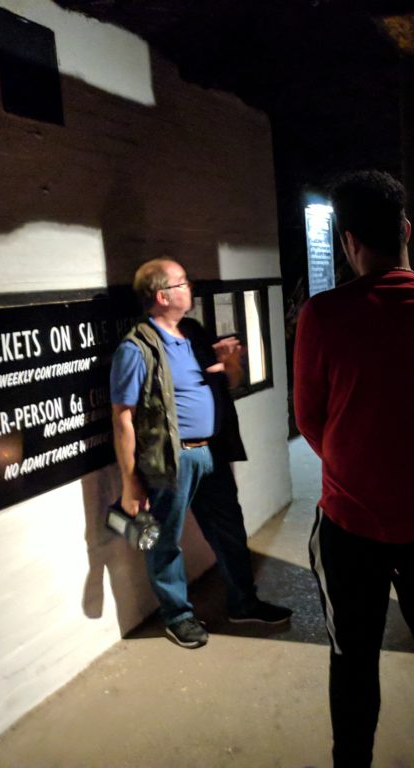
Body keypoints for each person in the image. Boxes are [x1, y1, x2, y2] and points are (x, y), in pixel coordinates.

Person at [293, 170, 414, 768]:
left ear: (347, 241)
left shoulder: (321, 317)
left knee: (353, 657)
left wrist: (357, 461)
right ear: (404, 230)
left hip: (350, 523)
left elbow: (310, 421)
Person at [110, 258, 292, 649]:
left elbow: (230, 382)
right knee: (165, 540)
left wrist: (230, 364)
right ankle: (177, 616)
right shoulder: (135, 349)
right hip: (171, 461)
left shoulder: (192, 332)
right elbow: (123, 418)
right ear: (162, 296)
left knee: (229, 529)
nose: (190, 287)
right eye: (183, 282)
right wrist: (130, 483)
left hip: (211, 454)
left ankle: (243, 603)